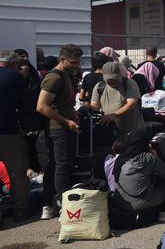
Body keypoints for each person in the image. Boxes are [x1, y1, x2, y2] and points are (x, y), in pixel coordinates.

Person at [36, 44, 82, 220]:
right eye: (73, 62)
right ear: (62, 59)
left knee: (58, 165)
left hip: (63, 126)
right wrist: (65, 120)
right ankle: (63, 205)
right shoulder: (54, 77)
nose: (76, 65)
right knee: (61, 167)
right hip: (58, 129)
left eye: (78, 62)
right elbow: (41, 106)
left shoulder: (65, 75)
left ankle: (51, 204)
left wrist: (72, 113)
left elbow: (60, 103)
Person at [108, 128, 165, 219]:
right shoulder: (148, 157)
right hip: (140, 203)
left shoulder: (122, 157)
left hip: (121, 201)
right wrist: (157, 157)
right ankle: (164, 212)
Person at [0, 50, 31, 221]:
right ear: (13, 64)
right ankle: (20, 210)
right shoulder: (14, 77)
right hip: (9, 131)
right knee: (17, 172)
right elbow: (24, 101)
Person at [91, 62, 144, 137]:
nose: (112, 81)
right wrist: (89, 108)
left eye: (115, 78)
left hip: (131, 131)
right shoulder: (99, 87)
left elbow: (131, 103)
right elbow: (95, 105)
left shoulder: (130, 83)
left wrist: (114, 115)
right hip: (110, 131)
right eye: (109, 80)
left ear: (120, 74)